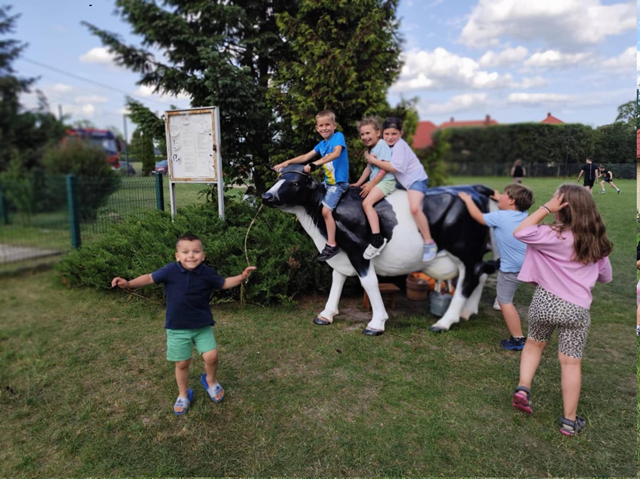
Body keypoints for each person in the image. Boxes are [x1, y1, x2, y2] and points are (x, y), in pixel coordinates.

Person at [111, 234, 256, 415]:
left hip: (202, 326)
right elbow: (149, 278)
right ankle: (183, 394)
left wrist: (241, 277)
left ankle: (210, 381)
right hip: (177, 329)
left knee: (212, 357)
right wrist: (128, 283)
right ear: (177, 256)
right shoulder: (170, 271)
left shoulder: (207, 272)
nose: (191, 255)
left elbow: (224, 283)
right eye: (185, 252)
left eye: (196, 251)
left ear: (203, 255)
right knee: (182, 363)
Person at [510, 184, 612, 436]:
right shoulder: (596, 242)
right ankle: (569, 421)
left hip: (545, 301)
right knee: (570, 363)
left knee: (534, 345)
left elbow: (520, 231)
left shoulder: (549, 234)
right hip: (576, 309)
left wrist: (545, 208)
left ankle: (523, 388)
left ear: (561, 207)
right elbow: (606, 277)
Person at [458, 183, 534, 350]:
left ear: (512, 201)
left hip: (511, 268)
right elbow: (508, 202)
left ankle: (518, 339)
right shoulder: (524, 215)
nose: (501, 197)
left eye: (504, 194)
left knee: (504, 301)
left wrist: (467, 200)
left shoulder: (501, 216)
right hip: (529, 263)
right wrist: (499, 196)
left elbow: (478, 216)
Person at [274, 110, 349, 261]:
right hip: (327, 183)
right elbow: (306, 156)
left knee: (326, 211)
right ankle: (324, 231)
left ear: (334, 126)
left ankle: (332, 244)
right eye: (321, 125)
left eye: (327, 125)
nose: (324, 128)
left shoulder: (338, 137)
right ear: (316, 128)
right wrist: (287, 162)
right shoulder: (322, 144)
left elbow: (336, 154)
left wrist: (314, 164)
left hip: (338, 184)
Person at [367, 117, 437, 263]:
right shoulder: (384, 146)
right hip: (402, 182)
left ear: (401, 134)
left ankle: (429, 242)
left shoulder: (400, 146)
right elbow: (379, 166)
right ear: (382, 133)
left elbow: (393, 168)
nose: (390, 137)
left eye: (394, 134)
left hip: (416, 181)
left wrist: (373, 160)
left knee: (414, 208)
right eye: (387, 134)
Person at [350, 117, 397, 259]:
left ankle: (377, 239)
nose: (365, 137)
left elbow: (385, 168)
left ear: (377, 133)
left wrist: (372, 184)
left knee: (367, 203)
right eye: (362, 134)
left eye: (367, 133)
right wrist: (358, 183)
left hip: (386, 181)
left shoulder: (382, 145)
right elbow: (368, 169)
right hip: (377, 181)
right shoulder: (371, 149)